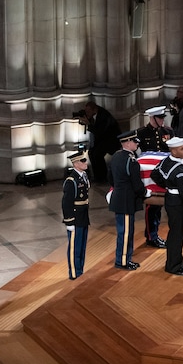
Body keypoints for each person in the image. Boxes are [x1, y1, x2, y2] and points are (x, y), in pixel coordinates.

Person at [150, 137, 183, 276]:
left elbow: (155, 174)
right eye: (182, 149)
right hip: (178, 202)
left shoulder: (166, 161)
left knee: (175, 233)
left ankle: (174, 263)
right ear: (173, 151)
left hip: (170, 199)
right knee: (177, 235)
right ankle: (174, 266)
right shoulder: (178, 169)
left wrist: (167, 185)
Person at [108, 130, 150, 270]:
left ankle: (123, 258)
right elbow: (137, 185)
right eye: (134, 141)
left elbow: (110, 178)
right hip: (126, 201)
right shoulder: (131, 161)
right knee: (126, 233)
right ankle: (123, 261)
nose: (137, 144)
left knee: (123, 231)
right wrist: (145, 192)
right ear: (127, 143)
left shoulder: (115, 157)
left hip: (118, 198)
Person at [136, 105, 173, 248]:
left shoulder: (168, 131)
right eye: (160, 118)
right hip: (150, 176)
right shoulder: (141, 133)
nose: (162, 121)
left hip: (165, 174)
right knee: (152, 206)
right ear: (152, 118)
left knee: (165, 205)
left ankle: (157, 235)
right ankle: (151, 236)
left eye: (163, 118)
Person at [62, 150, 91, 280]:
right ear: (75, 163)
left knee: (82, 246)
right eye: (83, 161)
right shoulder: (71, 180)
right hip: (75, 218)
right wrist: (69, 222)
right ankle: (74, 273)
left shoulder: (84, 175)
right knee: (75, 247)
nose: (86, 163)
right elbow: (66, 203)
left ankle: (80, 270)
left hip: (83, 216)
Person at [78, 100, 121, 183]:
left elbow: (99, 132)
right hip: (102, 139)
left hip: (111, 140)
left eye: (88, 111)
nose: (87, 113)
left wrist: (89, 124)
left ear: (94, 110)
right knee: (91, 152)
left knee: (97, 154)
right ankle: (97, 176)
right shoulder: (95, 114)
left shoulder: (103, 116)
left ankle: (103, 177)